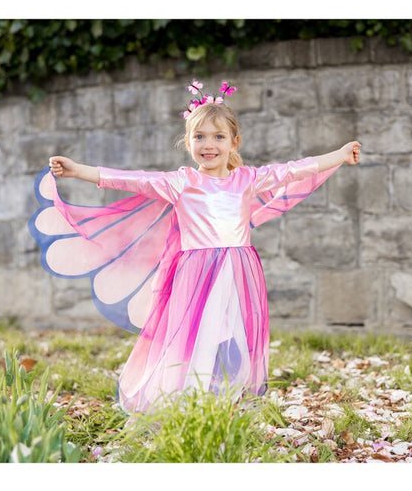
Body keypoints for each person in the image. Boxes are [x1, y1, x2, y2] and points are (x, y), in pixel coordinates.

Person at [29, 80, 360, 413]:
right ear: (187, 142)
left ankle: (227, 397)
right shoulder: (182, 182)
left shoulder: (246, 179)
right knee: (195, 334)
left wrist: (340, 156)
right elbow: (131, 178)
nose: (208, 145)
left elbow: (293, 170)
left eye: (218, 137)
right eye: (199, 137)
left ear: (234, 142)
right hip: (196, 273)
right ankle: (186, 399)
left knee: (232, 333)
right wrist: (78, 171)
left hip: (238, 270)